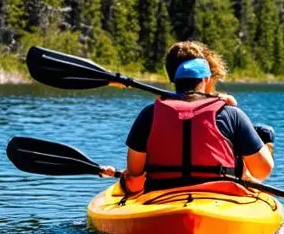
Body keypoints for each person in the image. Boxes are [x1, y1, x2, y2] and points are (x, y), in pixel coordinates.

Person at [101, 40, 274, 195]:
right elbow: (262, 171)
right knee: (265, 134)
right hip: (219, 198)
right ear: (206, 79)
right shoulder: (231, 114)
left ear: (173, 80)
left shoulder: (149, 114)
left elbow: (135, 173)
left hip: (162, 198)